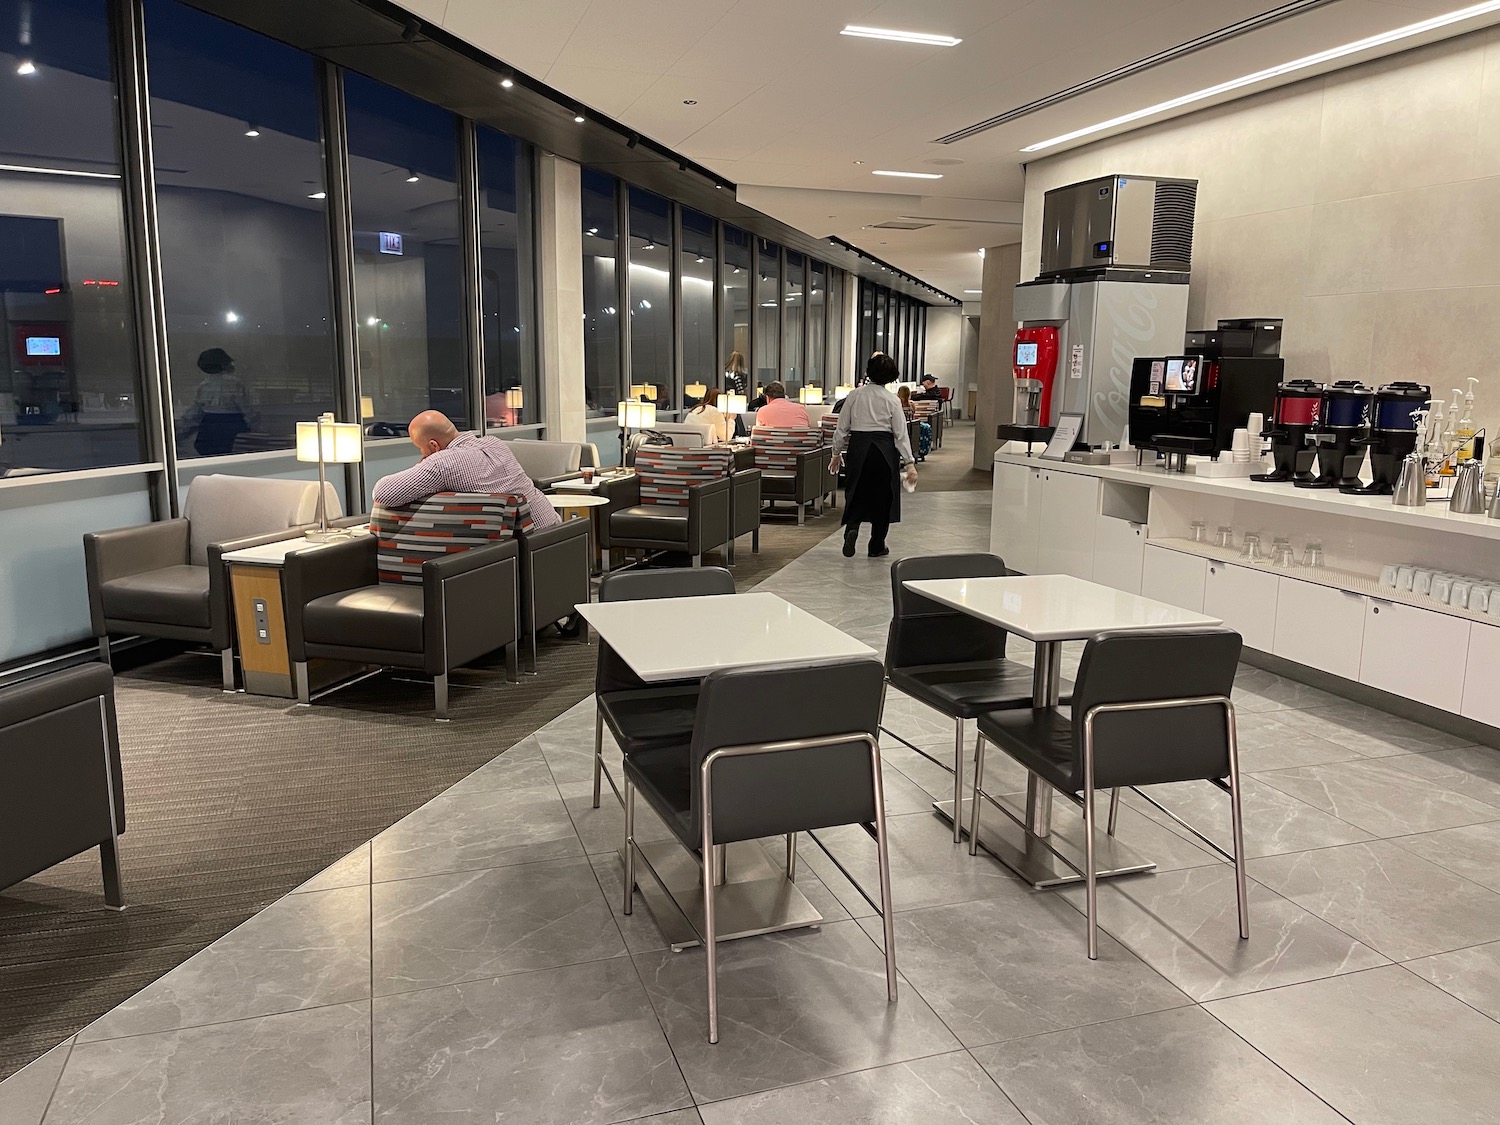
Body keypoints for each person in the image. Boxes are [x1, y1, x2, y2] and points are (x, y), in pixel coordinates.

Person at [372, 410, 561, 531]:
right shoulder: (494, 443)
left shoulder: (443, 462)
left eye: (419, 448)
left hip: (522, 547)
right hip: (554, 528)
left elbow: (383, 492)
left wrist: (423, 464)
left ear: (433, 446)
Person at [830, 354, 916, 558]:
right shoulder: (892, 400)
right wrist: (909, 463)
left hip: (858, 448)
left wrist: (835, 453)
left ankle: (852, 528)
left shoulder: (854, 395)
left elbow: (841, 428)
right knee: (883, 497)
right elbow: (900, 433)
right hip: (883, 451)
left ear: (868, 372)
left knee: (855, 491)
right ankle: (876, 545)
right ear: (892, 376)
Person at [182, 348, 255, 456]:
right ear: (225, 363)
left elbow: (197, 409)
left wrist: (183, 426)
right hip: (232, 425)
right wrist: (253, 424)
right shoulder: (236, 384)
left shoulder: (203, 386)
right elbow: (246, 408)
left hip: (209, 426)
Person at [897, 385, 932, 460]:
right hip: (912, 428)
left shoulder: (897, 405)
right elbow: (914, 413)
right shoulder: (911, 404)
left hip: (901, 428)